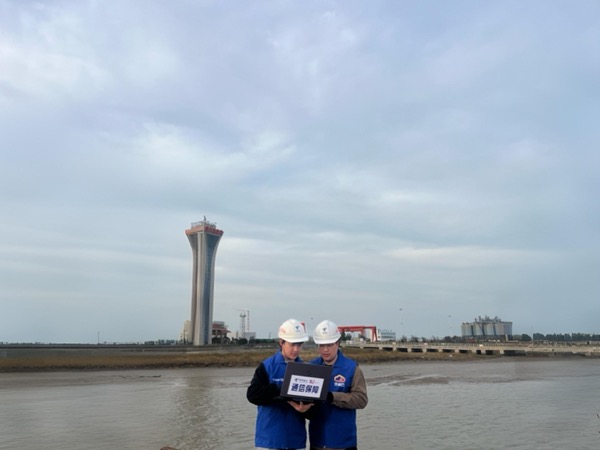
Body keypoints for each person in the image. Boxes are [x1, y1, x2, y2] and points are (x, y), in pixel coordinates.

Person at [247, 318, 313, 449]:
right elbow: (253, 395)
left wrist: (306, 411)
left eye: (299, 345)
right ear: (281, 342)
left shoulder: (305, 369)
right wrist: (280, 389)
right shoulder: (267, 366)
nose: (296, 349)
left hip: (296, 440)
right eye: (292, 345)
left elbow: (313, 407)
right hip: (270, 440)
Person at [308, 320, 368, 450]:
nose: (325, 349)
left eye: (329, 345)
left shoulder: (352, 368)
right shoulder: (311, 367)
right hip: (317, 442)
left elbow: (361, 400)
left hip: (344, 443)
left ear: (338, 343)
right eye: (321, 345)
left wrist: (333, 397)